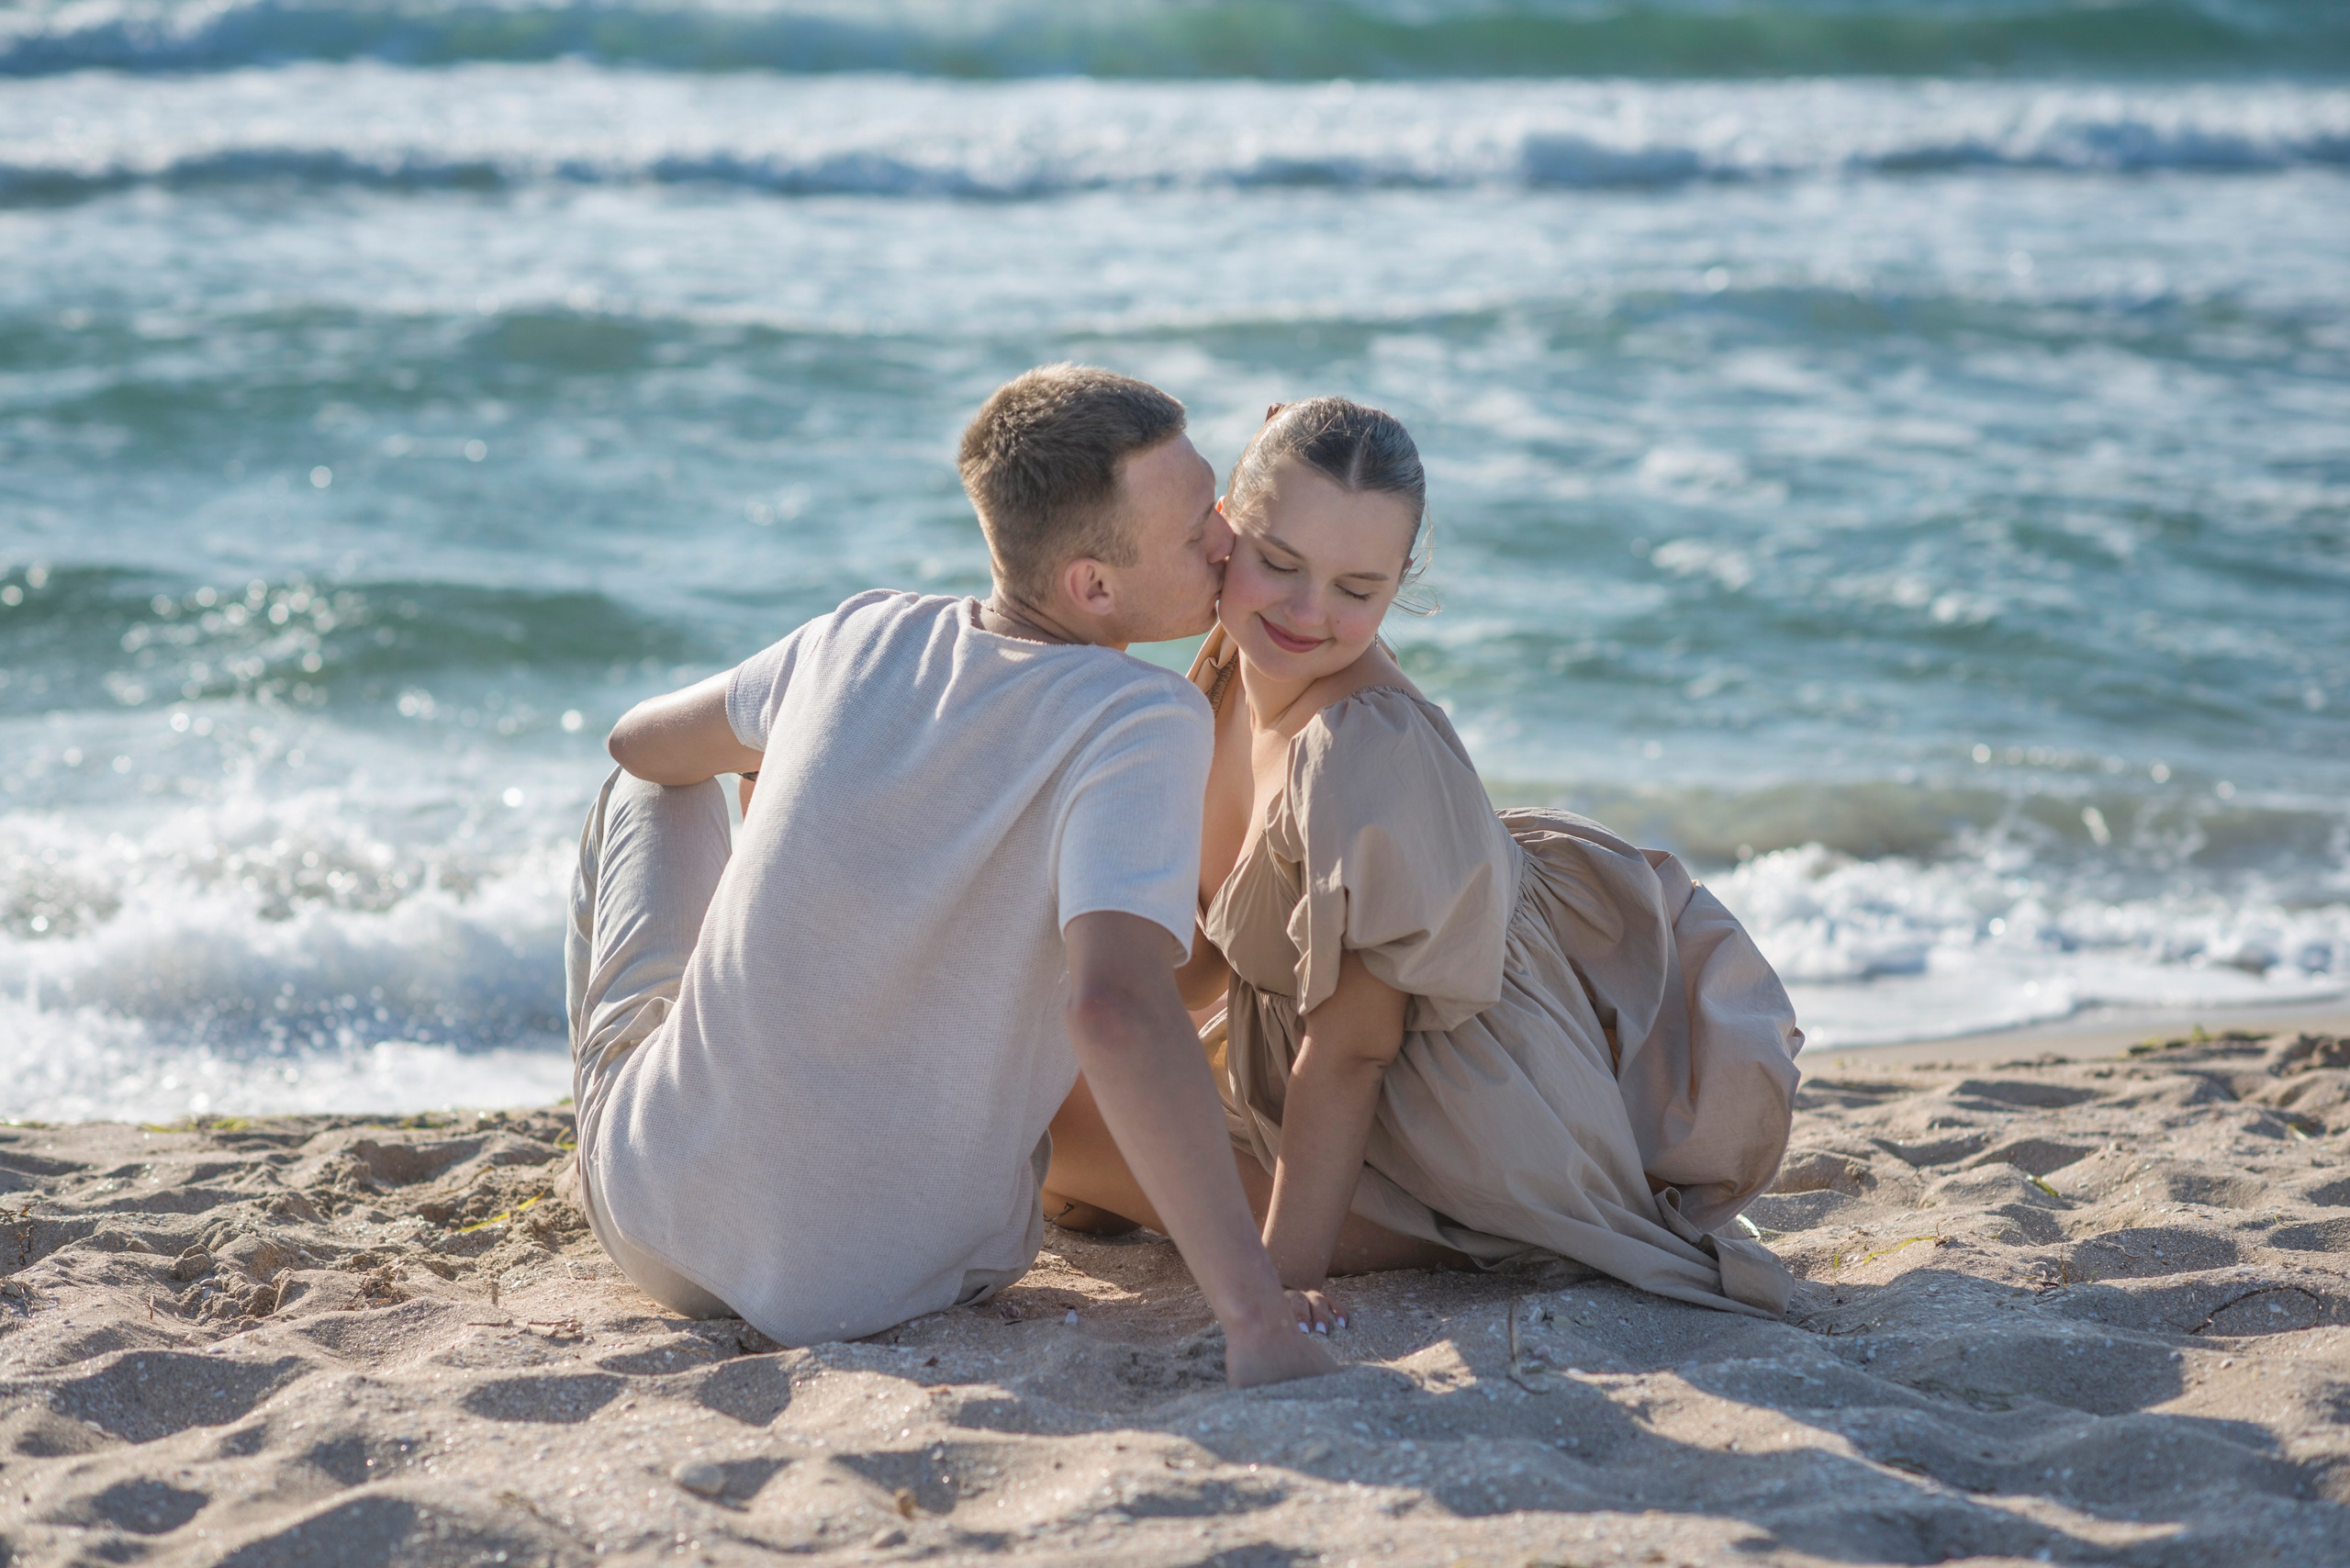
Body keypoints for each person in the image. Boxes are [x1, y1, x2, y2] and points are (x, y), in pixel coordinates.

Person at [565, 364, 1336, 1385]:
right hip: (909, 1280)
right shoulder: (1138, 718)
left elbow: (638, 742)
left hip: (656, 1227)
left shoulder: (856, 633)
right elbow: (1116, 1009)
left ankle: (701, 1112)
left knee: (647, 790)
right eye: (1200, 531)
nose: (1227, 543)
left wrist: (803, 773)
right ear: (1092, 587)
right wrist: (1256, 1318)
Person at [1040, 398, 1804, 1318]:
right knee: (1039, 1087)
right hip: (1305, 1074)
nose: (1305, 611)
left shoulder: (1368, 749)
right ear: (1225, 527)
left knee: (1047, 1125)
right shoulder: (1232, 658)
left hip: (1452, 1141)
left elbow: (1351, 1050)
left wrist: (1275, 1287)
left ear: (1401, 580)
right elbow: (1195, 952)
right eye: (1278, 562)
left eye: (1358, 589)